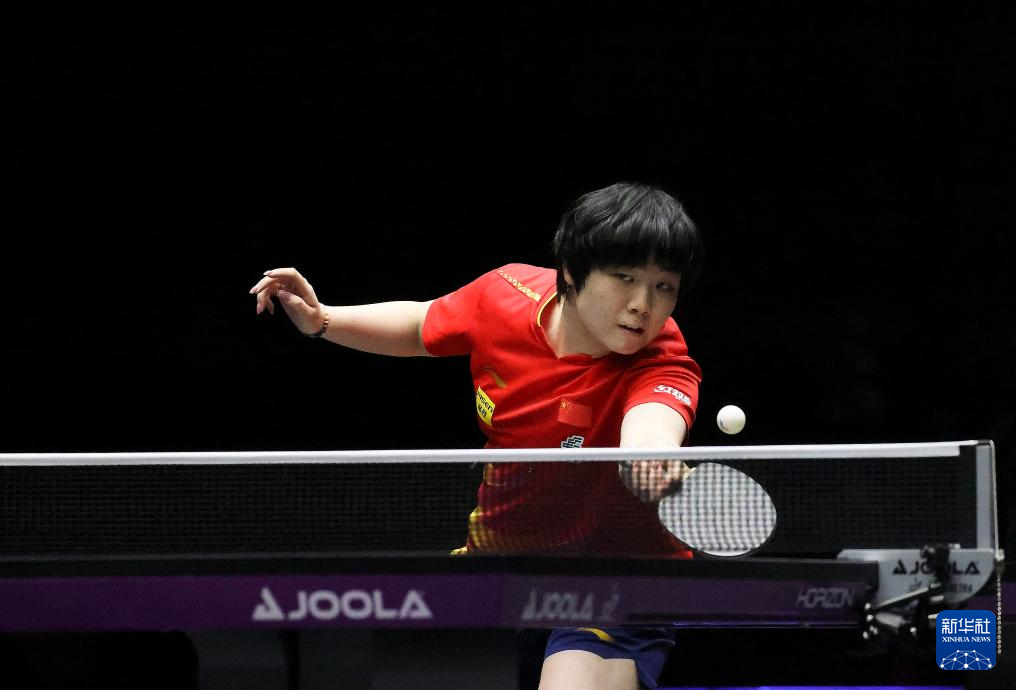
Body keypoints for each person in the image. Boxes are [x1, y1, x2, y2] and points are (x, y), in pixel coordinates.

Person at [250, 181, 703, 690]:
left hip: (615, 584)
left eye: (664, 287)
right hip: (498, 568)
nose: (644, 304)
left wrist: (649, 457)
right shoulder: (504, 295)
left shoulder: (663, 357)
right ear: (572, 272)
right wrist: (323, 320)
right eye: (625, 278)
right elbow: (422, 324)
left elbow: (652, 423)